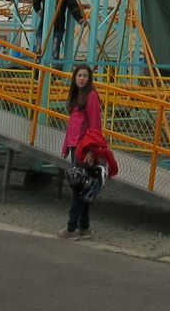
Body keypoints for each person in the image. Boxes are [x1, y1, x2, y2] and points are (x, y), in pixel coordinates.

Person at [59, 65, 101, 240]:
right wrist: (65, 148)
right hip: (74, 146)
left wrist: (92, 150)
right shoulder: (76, 96)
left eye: (84, 76)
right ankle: (84, 227)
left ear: (89, 78)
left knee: (78, 186)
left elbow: (95, 125)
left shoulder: (91, 96)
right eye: (79, 75)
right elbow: (72, 125)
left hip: (84, 148)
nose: (81, 79)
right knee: (82, 186)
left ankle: (71, 227)